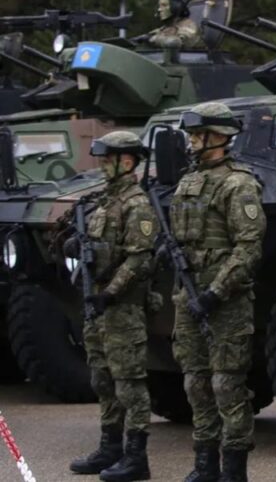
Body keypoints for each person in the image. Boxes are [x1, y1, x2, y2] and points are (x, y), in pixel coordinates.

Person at [170, 101, 265, 482]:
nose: (192, 141)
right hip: (188, 297)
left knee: (226, 384)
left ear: (219, 137)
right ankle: (205, 462)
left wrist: (215, 292)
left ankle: (234, 467)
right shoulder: (188, 181)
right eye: (191, 135)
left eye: (198, 135)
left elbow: (249, 247)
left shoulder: (237, 183)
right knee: (195, 382)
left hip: (224, 301)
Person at [69, 131, 158, 481]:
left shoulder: (137, 205)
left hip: (122, 307)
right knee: (102, 378)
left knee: (128, 382)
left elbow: (139, 260)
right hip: (99, 305)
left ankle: (136, 457)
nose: (103, 165)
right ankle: (110, 448)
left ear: (127, 161)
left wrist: (111, 293)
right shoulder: (104, 203)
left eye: (109, 159)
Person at [138, 0, 203, 49]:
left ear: (176, 7)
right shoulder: (165, 28)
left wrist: (152, 39)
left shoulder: (189, 26)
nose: (159, 9)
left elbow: (174, 42)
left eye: (164, 5)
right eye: (159, 6)